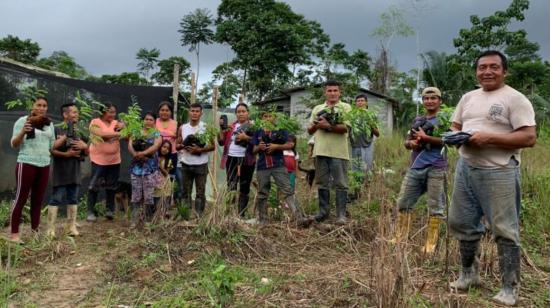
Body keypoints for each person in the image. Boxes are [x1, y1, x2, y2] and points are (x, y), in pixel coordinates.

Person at [448, 50, 536, 306]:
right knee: (461, 222)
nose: (487, 71)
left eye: (494, 67)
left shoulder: (515, 99)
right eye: (482, 67)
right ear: (476, 71)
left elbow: (528, 137)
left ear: (504, 71)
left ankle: (510, 288)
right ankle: (469, 275)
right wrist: (455, 135)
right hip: (466, 167)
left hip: (499, 170)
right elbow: (456, 124)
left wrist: (490, 138)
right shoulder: (468, 97)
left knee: (505, 230)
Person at [390, 87, 447, 254]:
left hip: (437, 167)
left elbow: (449, 141)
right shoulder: (418, 120)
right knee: (404, 202)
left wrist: (427, 138)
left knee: (435, 206)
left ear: (440, 101)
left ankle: (431, 243)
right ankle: (401, 236)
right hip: (416, 166)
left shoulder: (444, 120)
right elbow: (407, 141)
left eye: (433, 98)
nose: (429, 101)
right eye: (426, 98)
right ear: (422, 101)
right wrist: (411, 144)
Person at [9, 97, 57, 243]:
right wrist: (23, 131)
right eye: (39, 105)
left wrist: (65, 140)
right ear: (32, 106)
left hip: (44, 164)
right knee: (21, 198)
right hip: (27, 162)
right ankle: (14, 234)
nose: (42, 108)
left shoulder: (49, 124)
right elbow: (14, 144)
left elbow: (52, 145)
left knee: (38, 200)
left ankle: (35, 232)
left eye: (45, 105)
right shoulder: (23, 121)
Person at [307, 80, 352, 225]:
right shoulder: (318, 108)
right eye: (329, 91)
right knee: (322, 183)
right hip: (320, 151)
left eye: (335, 90)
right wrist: (318, 125)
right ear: (325, 92)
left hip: (339, 152)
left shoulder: (346, 107)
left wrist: (329, 125)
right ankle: (323, 213)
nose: (332, 93)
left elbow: (346, 128)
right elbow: (309, 130)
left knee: (341, 183)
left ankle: (341, 215)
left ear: (340, 92)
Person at [252, 113, 306, 225]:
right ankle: (263, 220)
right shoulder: (258, 131)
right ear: (262, 118)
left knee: (287, 189)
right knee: (262, 192)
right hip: (262, 166)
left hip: (278, 165)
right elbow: (253, 150)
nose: (267, 118)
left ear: (274, 117)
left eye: (269, 116)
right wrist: (259, 147)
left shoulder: (280, 129)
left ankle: (299, 217)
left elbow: (290, 144)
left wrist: (276, 146)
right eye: (265, 116)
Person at [47, 102, 89, 238]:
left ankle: (71, 227)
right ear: (65, 114)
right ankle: (50, 229)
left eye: (77, 112)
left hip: (75, 171)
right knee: (56, 199)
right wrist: (66, 150)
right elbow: (51, 149)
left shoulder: (80, 131)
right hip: (60, 172)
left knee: (73, 198)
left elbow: (87, 153)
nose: (77, 115)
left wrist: (84, 146)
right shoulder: (56, 129)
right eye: (74, 112)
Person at [87, 103, 124, 221]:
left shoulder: (116, 123)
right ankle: (90, 212)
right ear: (103, 112)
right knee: (94, 186)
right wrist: (119, 133)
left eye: (114, 112)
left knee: (112, 186)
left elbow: (127, 135)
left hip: (114, 160)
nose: (113, 114)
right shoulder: (95, 122)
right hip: (98, 160)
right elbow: (102, 135)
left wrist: (124, 127)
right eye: (110, 112)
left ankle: (109, 210)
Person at [176, 103, 214, 217]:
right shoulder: (183, 127)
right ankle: (185, 215)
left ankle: (199, 216)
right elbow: (177, 145)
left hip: (201, 164)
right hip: (186, 163)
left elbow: (213, 146)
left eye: (197, 111)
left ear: (201, 113)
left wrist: (199, 150)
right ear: (189, 112)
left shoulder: (206, 127)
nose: (194, 113)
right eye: (192, 111)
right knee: (185, 192)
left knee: (200, 192)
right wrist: (184, 145)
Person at [218, 103, 256, 217]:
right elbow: (220, 142)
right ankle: (229, 213)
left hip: (247, 160)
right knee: (231, 186)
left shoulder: (253, 126)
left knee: (244, 186)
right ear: (236, 114)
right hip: (231, 158)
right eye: (238, 112)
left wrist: (246, 138)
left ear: (248, 113)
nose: (241, 113)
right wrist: (222, 129)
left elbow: (258, 141)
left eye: (243, 111)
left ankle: (241, 214)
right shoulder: (231, 126)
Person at [128, 112, 162, 227]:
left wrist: (143, 153)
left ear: (154, 121)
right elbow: (130, 145)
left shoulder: (156, 133)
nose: (148, 121)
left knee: (148, 195)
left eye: (151, 119)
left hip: (150, 169)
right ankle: (134, 220)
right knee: (136, 194)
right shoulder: (136, 132)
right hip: (136, 168)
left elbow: (156, 146)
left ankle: (148, 220)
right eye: (146, 119)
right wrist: (135, 154)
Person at [350, 94, 380, 178]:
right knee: (356, 170)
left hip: (367, 146)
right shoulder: (351, 115)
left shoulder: (371, 115)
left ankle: (367, 189)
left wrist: (370, 124)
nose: (360, 103)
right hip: (354, 146)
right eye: (358, 101)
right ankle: (357, 190)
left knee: (367, 170)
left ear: (366, 103)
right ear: (355, 103)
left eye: (362, 101)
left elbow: (377, 133)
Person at [155, 101, 179, 202]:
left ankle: (168, 200)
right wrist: (170, 133)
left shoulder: (175, 123)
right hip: (157, 153)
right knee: (156, 176)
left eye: (167, 110)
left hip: (171, 154)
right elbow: (153, 133)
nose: (164, 112)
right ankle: (156, 200)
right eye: (162, 110)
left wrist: (163, 133)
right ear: (159, 111)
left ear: (171, 112)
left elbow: (177, 136)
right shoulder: (154, 121)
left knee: (170, 176)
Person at [154, 140, 174, 213]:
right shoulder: (154, 157)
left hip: (164, 184)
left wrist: (160, 166)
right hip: (155, 184)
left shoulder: (169, 161)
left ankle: (163, 217)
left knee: (163, 204)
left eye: (168, 148)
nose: (165, 149)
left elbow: (166, 173)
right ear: (160, 147)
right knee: (156, 205)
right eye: (164, 147)